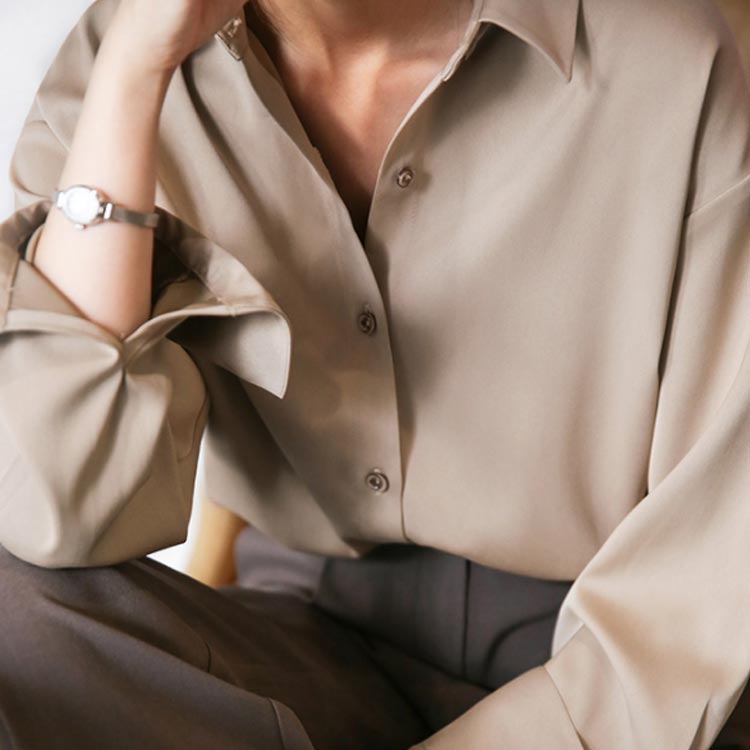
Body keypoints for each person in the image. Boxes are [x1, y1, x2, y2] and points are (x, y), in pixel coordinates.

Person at [0, 0, 748, 747]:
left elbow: (693, 607)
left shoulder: (672, 62)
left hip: (612, 652)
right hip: (309, 641)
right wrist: (134, 69)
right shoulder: (118, 56)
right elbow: (57, 508)